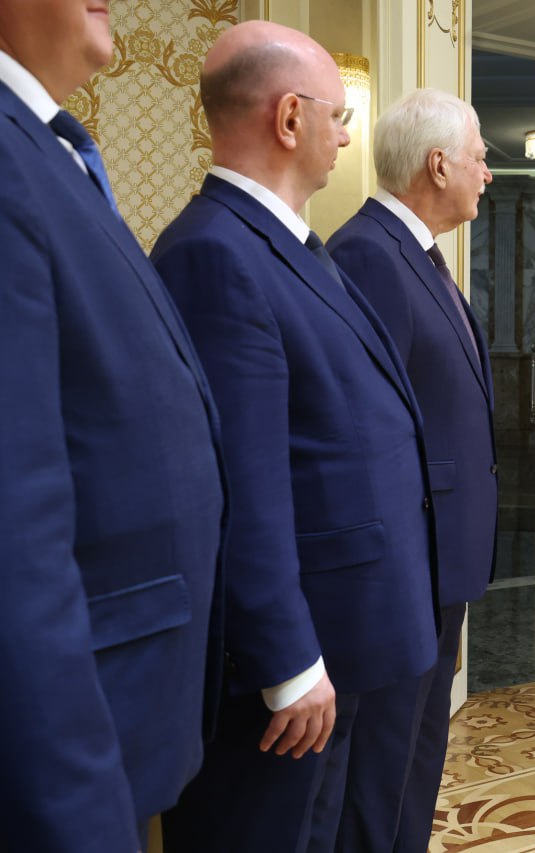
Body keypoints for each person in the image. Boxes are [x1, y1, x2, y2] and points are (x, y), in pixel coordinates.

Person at [151, 21, 439, 852]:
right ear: (288, 118)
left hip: (347, 635)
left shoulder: (289, 244)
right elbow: (239, 481)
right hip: (297, 662)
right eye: (339, 116)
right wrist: (286, 659)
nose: (346, 137)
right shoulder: (214, 253)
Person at [0, 1, 225, 849]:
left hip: (128, 691)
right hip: (73, 728)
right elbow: (14, 530)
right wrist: (77, 809)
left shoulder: (45, 147)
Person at [327, 87, 497, 850]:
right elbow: (364, 432)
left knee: (417, 752)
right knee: (382, 763)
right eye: (479, 158)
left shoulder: (418, 252)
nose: (487, 173)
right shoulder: (369, 253)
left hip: (439, 557)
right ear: (438, 164)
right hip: (406, 563)